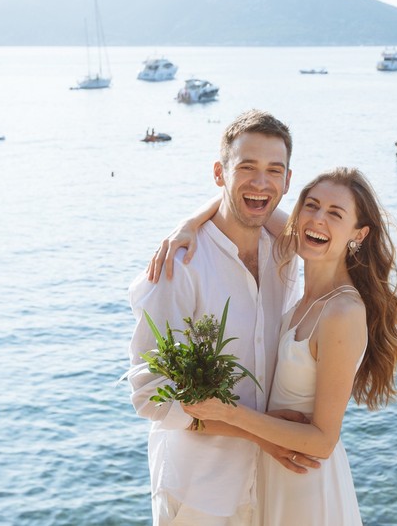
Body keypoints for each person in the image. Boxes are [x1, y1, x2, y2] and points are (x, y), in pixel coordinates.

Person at [173, 167, 397, 525]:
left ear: (358, 234)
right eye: (311, 206)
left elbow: (322, 441)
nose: (318, 220)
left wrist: (230, 412)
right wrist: (189, 223)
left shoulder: (341, 311)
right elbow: (242, 207)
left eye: (335, 214)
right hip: (275, 473)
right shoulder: (307, 291)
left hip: (306, 484)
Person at [127, 109, 316, 526]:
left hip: (271, 483)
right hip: (199, 491)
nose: (261, 181)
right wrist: (261, 433)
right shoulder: (179, 267)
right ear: (219, 172)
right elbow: (148, 394)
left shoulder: (284, 250)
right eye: (246, 167)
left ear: (288, 180)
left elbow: (326, 236)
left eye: (274, 171)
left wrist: (192, 217)